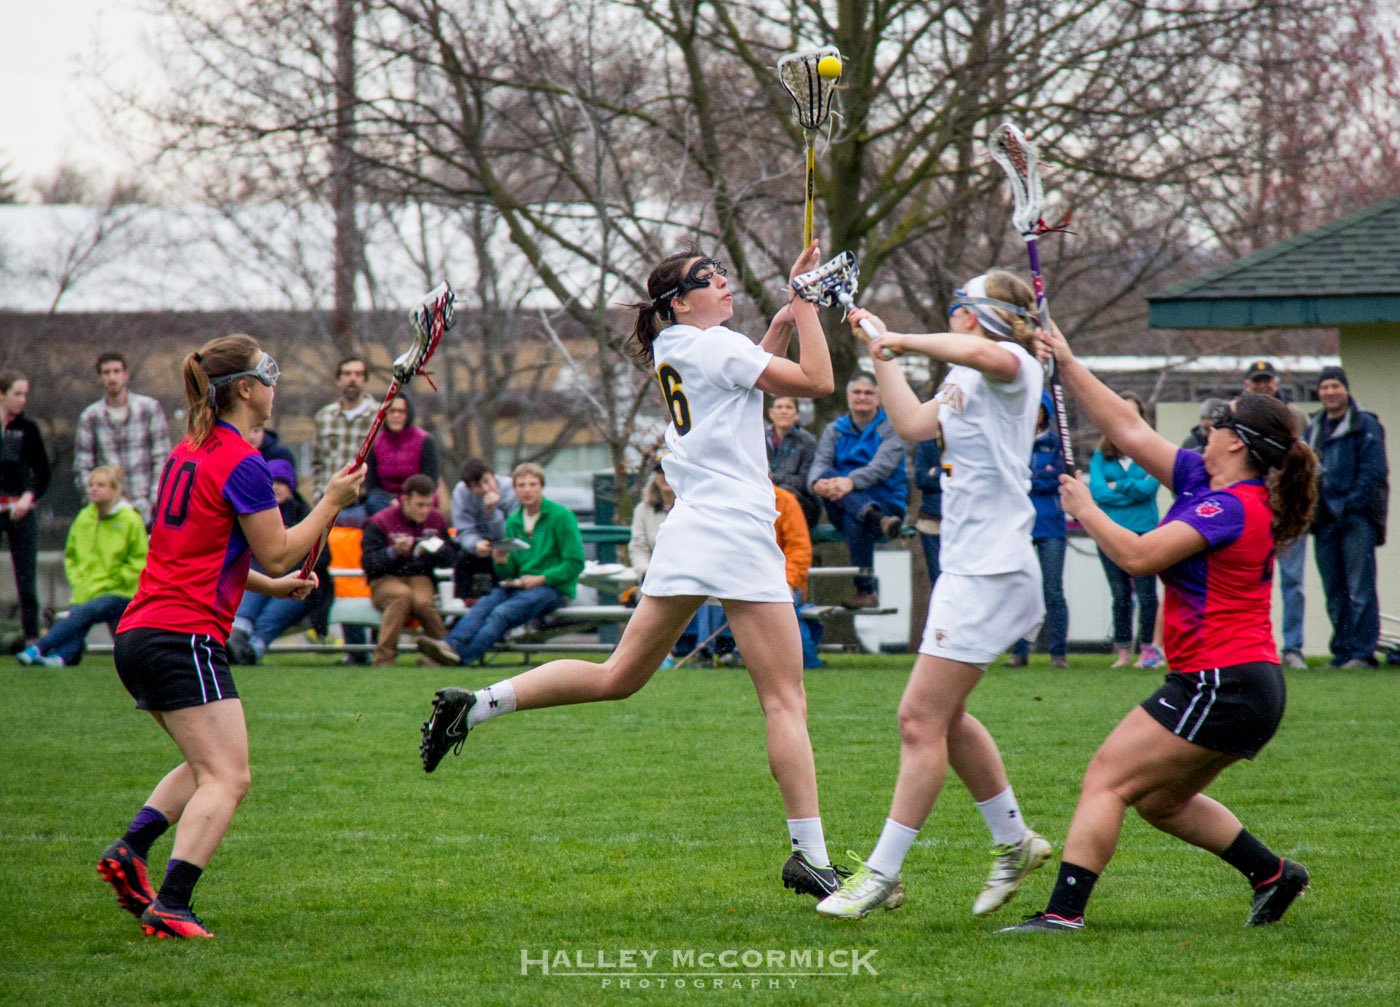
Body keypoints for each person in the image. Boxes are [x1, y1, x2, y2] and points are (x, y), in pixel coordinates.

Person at [418, 242, 848, 901]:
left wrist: (784, 321)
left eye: (721, 273)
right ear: (681, 302)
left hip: (691, 526)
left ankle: (475, 706)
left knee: (618, 675)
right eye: (709, 278)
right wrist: (810, 307)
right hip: (735, 528)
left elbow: (742, 381)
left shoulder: (677, 345)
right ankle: (810, 857)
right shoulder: (715, 345)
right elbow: (816, 382)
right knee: (785, 702)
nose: (724, 282)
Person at [1000, 327, 1319, 933]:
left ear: (1237, 441)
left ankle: (1063, 915)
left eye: (1220, 420)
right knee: (1161, 801)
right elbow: (1126, 428)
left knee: (1106, 779)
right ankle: (1273, 874)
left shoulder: (1229, 506)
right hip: (1243, 682)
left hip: (1222, 681)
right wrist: (1067, 360)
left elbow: (1140, 556)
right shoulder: (1203, 479)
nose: (1209, 426)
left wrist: (1086, 510)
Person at [97, 334, 364, 939]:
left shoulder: (189, 449)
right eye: (268, 374)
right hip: (182, 636)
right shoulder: (243, 461)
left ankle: (131, 850)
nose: (275, 385)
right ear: (245, 389)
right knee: (228, 776)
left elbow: (208, 551)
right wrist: (331, 501)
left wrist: (273, 587)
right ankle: (172, 904)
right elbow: (278, 550)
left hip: (141, 633)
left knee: (206, 765)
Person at [815, 271, 1052, 921]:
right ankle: (1014, 841)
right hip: (968, 565)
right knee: (944, 717)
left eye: (956, 306)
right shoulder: (964, 376)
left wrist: (902, 338)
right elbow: (912, 423)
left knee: (917, 719)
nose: (952, 316)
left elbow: (981, 351)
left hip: (993, 568)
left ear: (975, 314)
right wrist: (880, 352)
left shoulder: (1014, 365)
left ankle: (880, 873)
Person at [418, 463, 581, 668]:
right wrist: (501, 561)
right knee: (484, 604)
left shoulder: (561, 516)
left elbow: (574, 563)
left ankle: (458, 658)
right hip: (520, 586)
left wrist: (541, 579)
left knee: (502, 613)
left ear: (541, 487)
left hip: (553, 589)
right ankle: (449, 646)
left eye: (533, 484)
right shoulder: (514, 521)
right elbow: (508, 571)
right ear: (514, 489)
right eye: (521, 485)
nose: (527, 490)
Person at [18, 466, 147, 667]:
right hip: (86, 590)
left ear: (115, 489)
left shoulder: (130, 519)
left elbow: (140, 559)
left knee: (83, 613)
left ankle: (39, 647)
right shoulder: (84, 517)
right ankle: (61, 658)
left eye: (101, 485)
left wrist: (116, 580)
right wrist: (78, 580)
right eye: (91, 485)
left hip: (118, 591)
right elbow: (71, 555)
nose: (94, 489)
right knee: (81, 615)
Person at [1304, 365, 1388, 669]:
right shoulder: (1313, 428)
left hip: (1356, 519)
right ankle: (1342, 651)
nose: (1329, 392)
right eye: (1324, 387)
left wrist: (1350, 506)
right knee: (1334, 590)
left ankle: (1363, 653)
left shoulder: (1365, 424)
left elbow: (1374, 472)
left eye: (1335, 386)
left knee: (1359, 587)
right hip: (1323, 520)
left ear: (1346, 389)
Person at [808, 374, 908, 607]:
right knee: (826, 475)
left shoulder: (894, 427)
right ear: (848, 396)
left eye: (868, 392)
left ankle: (865, 591)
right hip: (852, 506)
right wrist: (815, 484)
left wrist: (850, 482)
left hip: (887, 503)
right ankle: (875, 517)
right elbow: (820, 464)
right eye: (857, 392)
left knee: (856, 517)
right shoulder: (834, 429)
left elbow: (881, 467)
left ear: (878, 398)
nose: (862, 397)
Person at [226, 460, 332, 665]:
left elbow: (323, 556)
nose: (275, 487)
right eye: (271, 482)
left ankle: (251, 650)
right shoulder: (250, 514)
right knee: (247, 605)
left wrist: (292, 548)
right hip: (258, 575)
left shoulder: (306, 515)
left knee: (273, 614)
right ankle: (234, 640)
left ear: (291, 486)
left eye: (281, 482)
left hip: (299, 581)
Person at [1243, 362, 1311, 670]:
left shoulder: (1295, 417)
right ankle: (1254, 647)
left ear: (1276, 383)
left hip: (1287, 511)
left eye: (1267, 380)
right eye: (1257, 381)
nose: (1263, 385)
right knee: (1251, 582)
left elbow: (1307, 463)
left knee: (1292, 583)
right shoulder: (1240, 418)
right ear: (1247, 385)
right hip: (1252, 510)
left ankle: (1292, 648)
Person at [1090, 391, 1163, 669]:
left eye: (1133, 411)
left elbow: (1149, 488)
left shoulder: (1151, 450)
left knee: (1146, 594)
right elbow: (1098, 492)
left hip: (1144, 532)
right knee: (1120, 594)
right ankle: (1122, 652)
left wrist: (1118, 487)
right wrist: (1132, 490)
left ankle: (1147, 650)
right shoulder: (1101, 455)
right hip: (1110, 532)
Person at [360, 473, 456, 666]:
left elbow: (453, 557)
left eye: (429, 504)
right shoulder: (380, 522)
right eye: (420, 505)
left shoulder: (436, 520)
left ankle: (445, 652)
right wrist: (394, 551)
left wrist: (439, 550)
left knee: (422, 602)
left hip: (420, 577)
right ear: (405, 500)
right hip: (385, 579)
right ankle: (383, 658)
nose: (425, 510)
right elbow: (369, 564)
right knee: (401, 596)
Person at [73, 352, 171, 527]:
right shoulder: (90, 417)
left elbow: (162, 458)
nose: (112, 377)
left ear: (126, 375)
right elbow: (83, 466)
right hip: (107, 510)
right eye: (106, 372)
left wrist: (155, 499)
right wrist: (98, 499)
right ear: (100, 378)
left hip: (147, 509)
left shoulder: (149, 409)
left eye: (116, 371)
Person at [1007, 392, 1069, 669]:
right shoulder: (1011, 441)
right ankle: (1019, 652)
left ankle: (1058, 653)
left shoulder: (1056, 444)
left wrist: (1029, 480)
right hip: (1019, 526)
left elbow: (1059, 478)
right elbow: (1008, 476)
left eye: (1038, 407)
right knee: (1019, 590)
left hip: (1051, 525)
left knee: (1053, 590)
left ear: (1046, 412)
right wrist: (1038, 477)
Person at [0, 370, 51, 649]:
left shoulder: (27, 429)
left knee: (26, 576)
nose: (22, 399)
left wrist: (28, 497)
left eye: (25, 394)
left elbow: (42, 471)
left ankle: (32, 637)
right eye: (17, 393)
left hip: (20, 509)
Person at [311, 354, 378, 506]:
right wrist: (317, 493)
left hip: (362, 502)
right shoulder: (324, 416)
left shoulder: (378, 416)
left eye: (358, 374)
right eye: (347, 374)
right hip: (328, 499)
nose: (352, 379)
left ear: (365, 380)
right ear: (338, 380)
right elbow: (317, 462)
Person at [449, 458, 519, 601]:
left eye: (487, 481)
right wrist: (476, 544)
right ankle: (463, 603)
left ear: (493, 476)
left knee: (500, 563)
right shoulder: (461, 493)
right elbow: (463, 529)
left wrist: (491, 512)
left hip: (508, 547)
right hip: (479, 547)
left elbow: (511, 531)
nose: (485, 489)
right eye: (477, 486)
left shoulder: (510, 489)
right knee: (463, 561)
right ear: (469, 487)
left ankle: (500, 600)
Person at [363, 394, 440, 516]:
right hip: (386, 502)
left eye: (401, 411)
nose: (396, 416)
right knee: (373, 501)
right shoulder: (374, 444)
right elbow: (372, 486)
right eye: (391, 411)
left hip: (417, 499)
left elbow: (431, 481)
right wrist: (392, 500)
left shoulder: (425, 441)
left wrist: (408, 501)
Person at [767, 396, 821, 526]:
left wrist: (772, 477)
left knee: (782, 494)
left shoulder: (808, 442)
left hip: (803, 503)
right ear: (771, 413)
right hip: (767, 496)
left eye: (789, 407)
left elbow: (805, 482)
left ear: (797, 414)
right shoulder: (759, 438)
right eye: (779, 407)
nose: (783, 411)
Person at [628, 462, 674, 584]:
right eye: (661, 471)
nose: (665, 475)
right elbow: (638, 547)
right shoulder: (643, 510)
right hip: (656, 581)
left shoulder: (692, 507)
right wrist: (646, 573)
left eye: (670, 469)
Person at [912, 435, 942, 588]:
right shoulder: (926, 443)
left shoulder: (965, 440)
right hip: (931, 518)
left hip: (963, 520)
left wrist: (936, 472)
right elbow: (920, 478)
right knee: (937, 581)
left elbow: (962, 475)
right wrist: (947, 473)